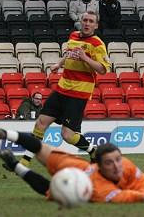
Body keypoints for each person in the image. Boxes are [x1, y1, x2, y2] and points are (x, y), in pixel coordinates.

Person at [0, 115, 144, 204]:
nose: (117, 165)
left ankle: (10, 151)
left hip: (75, 166)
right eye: (110, 163)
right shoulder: (101, 190)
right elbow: (133, 196)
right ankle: (6, 141)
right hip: (72, 170)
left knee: (41, 155)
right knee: (50, 186)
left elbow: (140, 188)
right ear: (98, 165)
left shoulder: (126, 167)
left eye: (118, 160)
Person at [20, 11, 110, 167]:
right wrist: (59, 64)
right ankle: (24, 161)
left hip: (78, 94)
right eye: (85, 20)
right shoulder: (73, 36)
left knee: (67, 136)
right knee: (41, 123)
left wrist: (85, 58)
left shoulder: (97, 44)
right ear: (80, 22)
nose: (87, 23)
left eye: (91, 21)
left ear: (96, 25)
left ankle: (93, 152)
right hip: (62, 88)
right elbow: (69, 54)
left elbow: (103, 70)